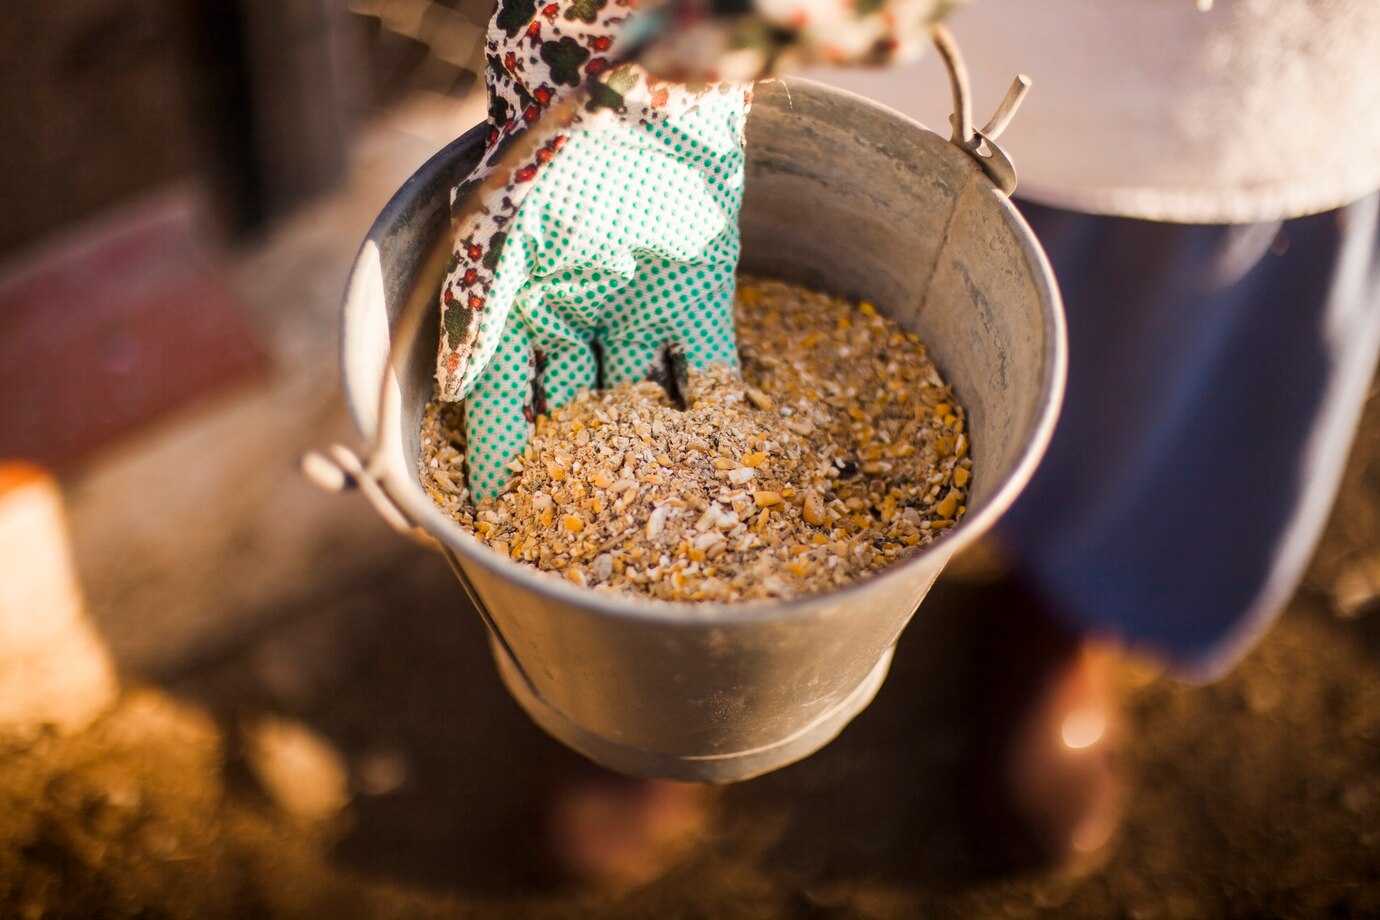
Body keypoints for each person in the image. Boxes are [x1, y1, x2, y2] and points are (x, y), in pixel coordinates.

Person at [813, 0, 1380, 864]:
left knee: (1152, 378)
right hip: (889, 42)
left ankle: (1069, 605)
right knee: (808, 279)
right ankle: (720, 640)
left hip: (1235, 71)